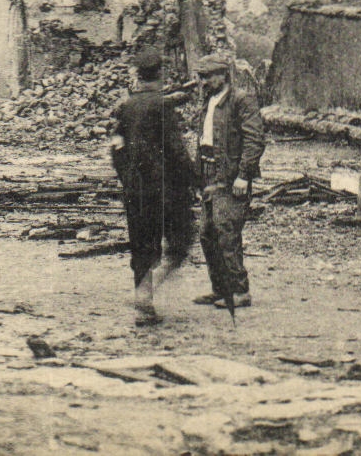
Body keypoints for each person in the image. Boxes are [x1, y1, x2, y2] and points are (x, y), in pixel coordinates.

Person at [108, 48, 198, 319]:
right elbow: (176, 151)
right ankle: (151, 287)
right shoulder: (162, 106)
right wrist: (195, 180)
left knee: (142, 241)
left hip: (135, 189)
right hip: (165, 189)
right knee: (181, 241)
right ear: (160, 74)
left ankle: (142, 295)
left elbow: (116, 148)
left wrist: (127, 178)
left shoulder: (125, 106)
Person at [191, 54, 266, 309]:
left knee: (227, 232)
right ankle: (221, 288)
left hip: (230, 177)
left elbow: (255, 140)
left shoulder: (241, 100)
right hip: (208, 174)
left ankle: (240, 291)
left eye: (209, 76)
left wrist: (244, 175)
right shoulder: (209, 101)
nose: (205, 82)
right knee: (206, 233)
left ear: (223, 75)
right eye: (202, 77)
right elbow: (204, 140)